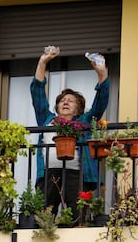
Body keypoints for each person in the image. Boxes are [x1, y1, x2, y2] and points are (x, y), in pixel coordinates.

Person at [30, 46, 110, 223]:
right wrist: (43, 61)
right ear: (57, 107)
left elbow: (100, 103)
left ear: (78, 108)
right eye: (62, 101)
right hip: (48, 174)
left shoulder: (84, 121)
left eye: (70, 101)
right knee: (43, 219)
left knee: (77, 219)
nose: (65, 102)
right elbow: (37, 94)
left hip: (77, 174)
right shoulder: (47, 119)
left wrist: (102, 75)